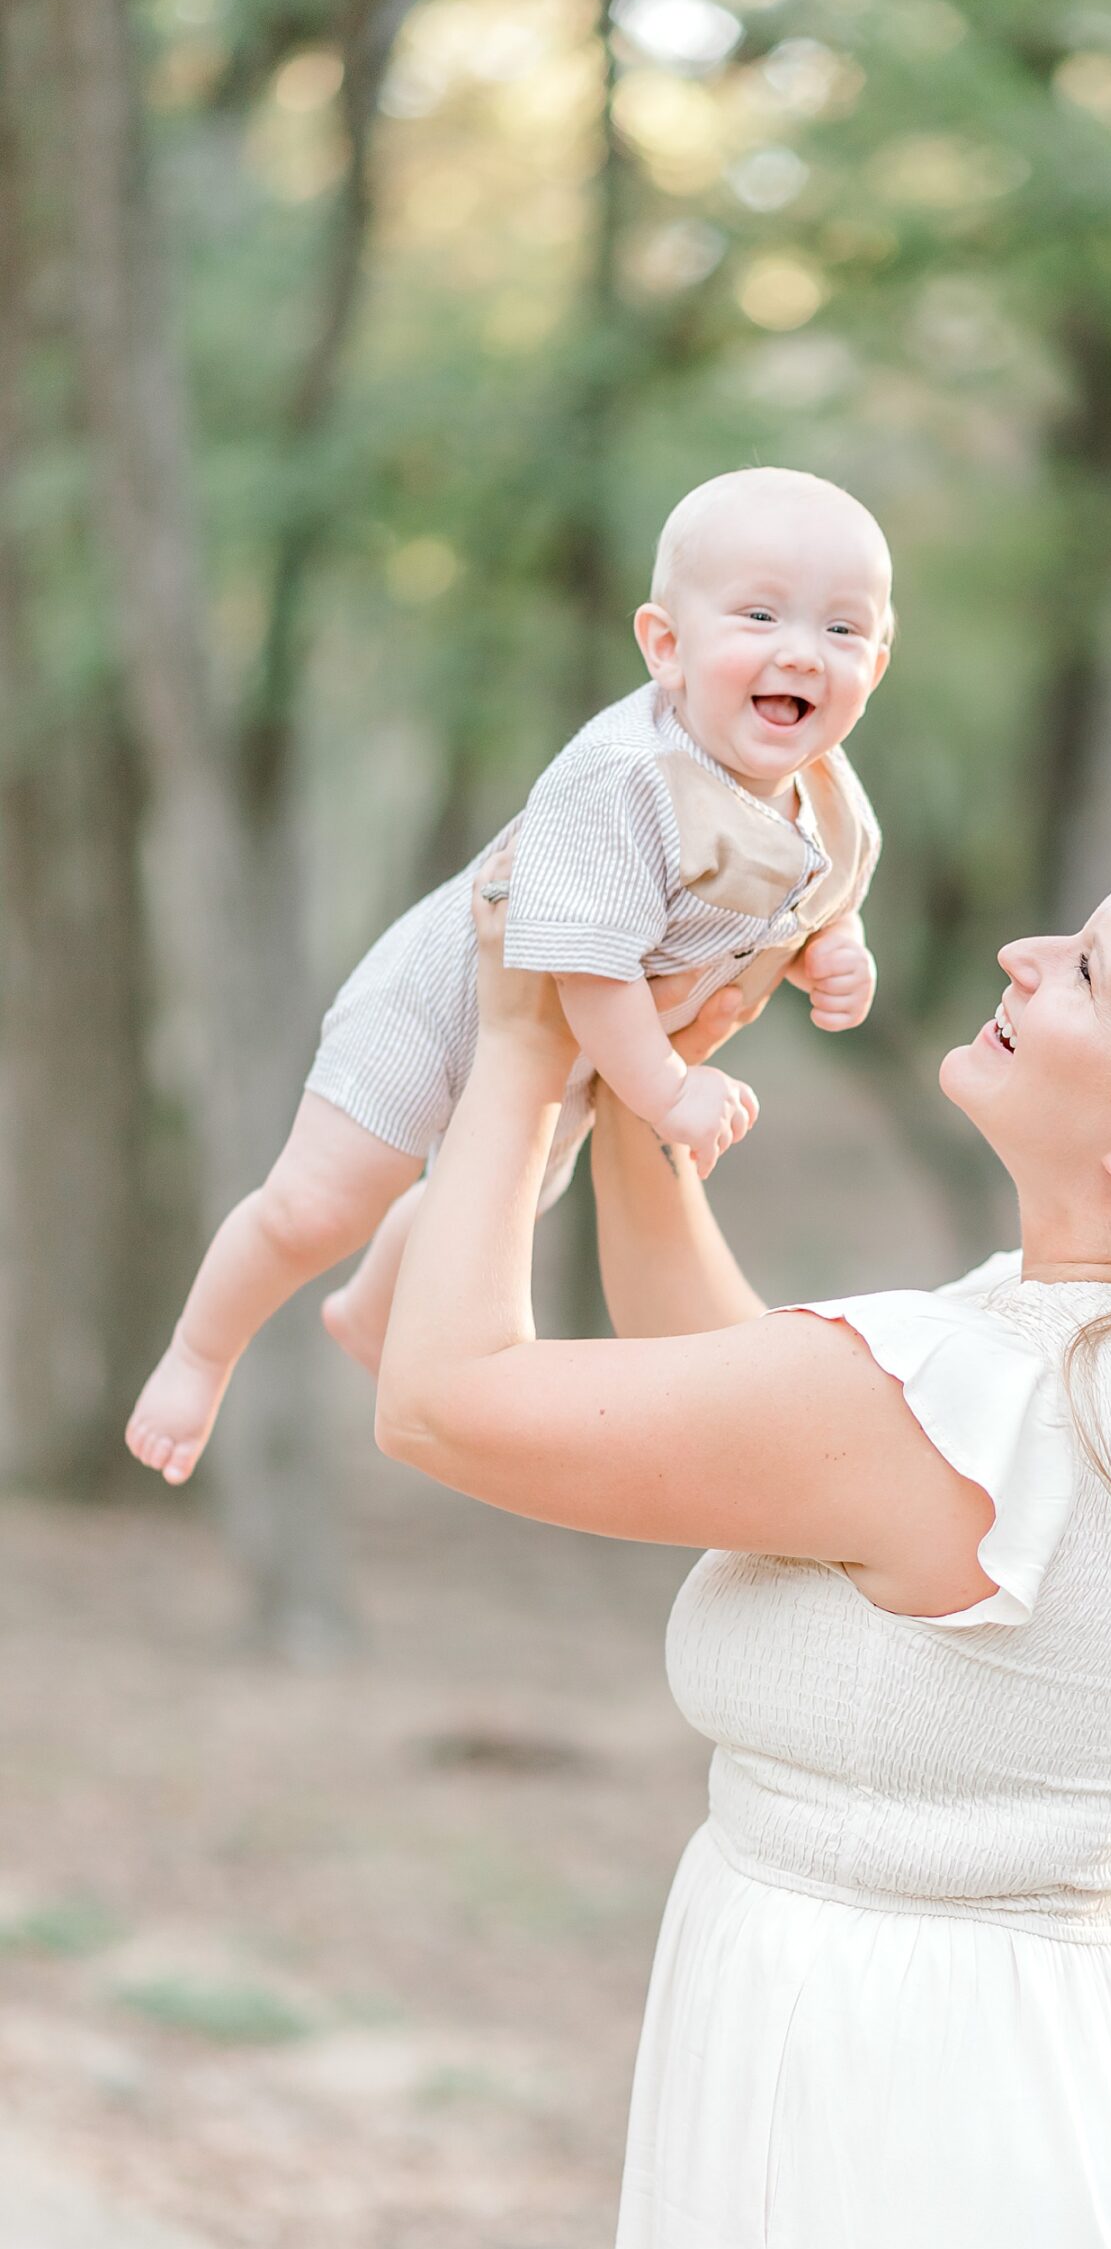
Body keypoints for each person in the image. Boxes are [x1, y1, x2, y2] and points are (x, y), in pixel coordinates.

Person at [374, 835, 1111, 2249]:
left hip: (904, 2131)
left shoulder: (986, 1394)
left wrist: (517, 1043)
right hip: (1075, 2081)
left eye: (1091, 966)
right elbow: (757, 1420)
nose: (1028, 952)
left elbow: (440, 1406)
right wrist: (641, 1113)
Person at [126, 467, 888, 1486]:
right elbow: (581, 971)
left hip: (580, 1051)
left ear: (874, 664)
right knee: (318, 1206)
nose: (800, 649)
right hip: (446, 1004)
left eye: (840, 631)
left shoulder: (831, 802)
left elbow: (819, 906)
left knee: (490, 1202)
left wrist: (839, 954)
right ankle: (197, 1351)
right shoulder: (624, 779)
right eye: (758, 615)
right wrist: (664, 1091)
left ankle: (371, 1311)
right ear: (665, 645)